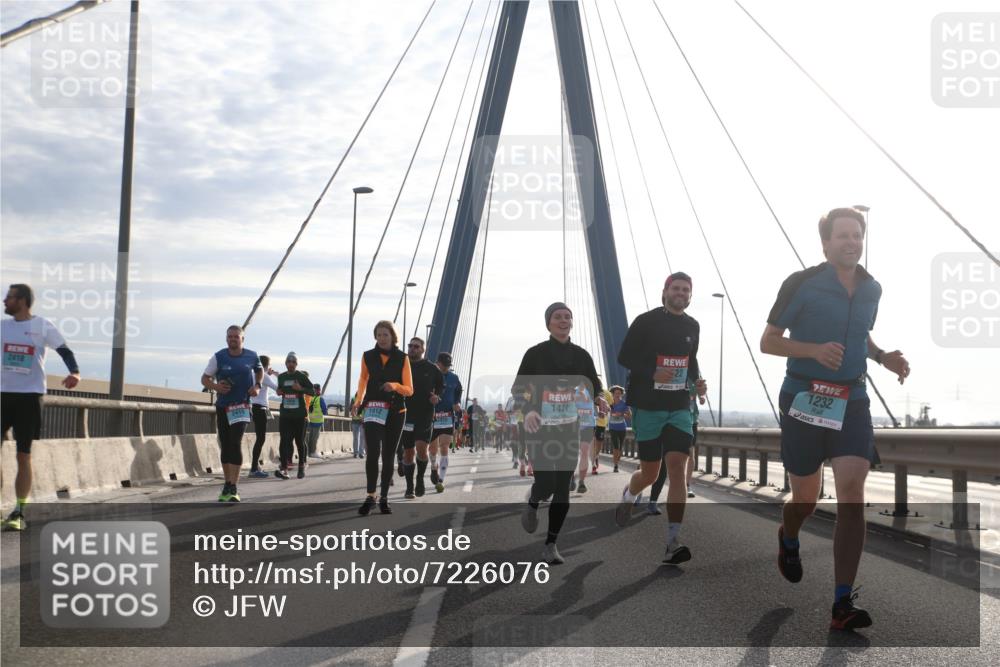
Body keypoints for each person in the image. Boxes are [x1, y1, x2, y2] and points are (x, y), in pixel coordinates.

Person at [761, 207, 910, 631]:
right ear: (825, 243)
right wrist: (812, 350)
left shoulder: (872, 288)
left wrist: (882, 357)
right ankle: (788, 536)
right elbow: (769, 341)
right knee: (805, 499)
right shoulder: (802, 284)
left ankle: (842, 603)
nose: (851, 241)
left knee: (851, 493)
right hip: (804, 397)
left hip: (852, 400)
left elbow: (860, 333)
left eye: (856, 235)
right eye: (842, 235)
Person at [614, 272, 708, 567]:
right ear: (665, 291)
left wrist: (698, 381)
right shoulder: (646, 321)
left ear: (690, 295)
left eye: (686, 289)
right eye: (676, 288)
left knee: (677, 468)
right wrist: (651, 371)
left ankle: (672, 541)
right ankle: (630, 493)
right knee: (651, 474)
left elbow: (690, 361)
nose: (681, 293)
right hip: (648, 405)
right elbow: (624, 356)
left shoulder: (693, 325)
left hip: (679, 405)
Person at [516, 302, 606, 565]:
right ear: (549, 323)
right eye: (558, 317)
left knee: (563, 489)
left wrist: (599, 398)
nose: (563, 320)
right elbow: (518, 388)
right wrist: (528, 410)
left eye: (568, 316)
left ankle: (551, 544)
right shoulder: (535, 354)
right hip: (539, 429)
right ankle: (533, 501)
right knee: (546, 485)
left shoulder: (581, 355)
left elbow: (594, 384)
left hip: (568, 428)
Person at [1, 284, 81, 530]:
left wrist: (75, 372)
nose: (4, 301)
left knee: (23, 455)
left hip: (29, 397)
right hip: (2, 395)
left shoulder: (42, 326)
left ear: (22, 301)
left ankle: (18, 512)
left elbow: (64, 349)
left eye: (9, 297)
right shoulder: (2, 326)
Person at [353, 320, 413, 515]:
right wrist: (357, 400)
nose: (381, 338)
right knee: (372, 453)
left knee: (388, 455)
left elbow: (409, 389)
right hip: (373, 407)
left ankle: (384, 498)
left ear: (393, 337)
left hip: (396, 411)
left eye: (385, 335)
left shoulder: (402, 358)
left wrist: (394, 385)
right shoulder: (367, 356)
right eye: (378, 335)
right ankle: (371, 496)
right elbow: (363, 380)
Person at [201, 324, 263, 502]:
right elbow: (204, 378)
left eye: (236, 336)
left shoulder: (251, 356)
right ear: (226, 338)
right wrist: (216, 386)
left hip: (242, 406)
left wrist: (257, 386)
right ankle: (227, 484)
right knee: (225, 444)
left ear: (242, 339)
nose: (232, 339)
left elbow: (259, 370)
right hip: (223, 406)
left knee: (235, 442)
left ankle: (234, 486)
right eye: (230, 337)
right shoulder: (219, 357)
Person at [646, 377, 704, 513]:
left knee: (679, 461)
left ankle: (683, 487)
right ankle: (641, 491)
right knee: (655, 464)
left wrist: (700, 393)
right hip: (660, 419)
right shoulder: (662, 368)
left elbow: (700, 392)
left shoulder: (692, 372)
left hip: (686, 422)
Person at [400, 337, 443, 498]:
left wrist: (436, 396)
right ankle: (410, 487)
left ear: (422, 350)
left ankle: (420, 479)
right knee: (408, 453)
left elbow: (440, 385)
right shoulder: (402, 366)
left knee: (421, 449)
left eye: (416, 346)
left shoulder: (431, 368)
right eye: (410, 346)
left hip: (425, 415)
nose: (412, 349)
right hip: (405, 414)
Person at [275, 352, 315, 479]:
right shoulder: (281, 377)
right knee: (284, 441)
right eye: (289, 362)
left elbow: (313, 391)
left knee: (299, 441)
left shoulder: (301, 376)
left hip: (299, 415)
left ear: (296, 364)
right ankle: (284, 469)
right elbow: (280, 389)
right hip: (286, 414)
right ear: (286, 363)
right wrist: (279, 391)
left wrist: (300, 389)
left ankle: (301, 467)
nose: (291, 364)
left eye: (293, 362)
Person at [429, 352, 462, 492]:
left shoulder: (454, 378)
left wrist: (457, 402)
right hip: (432, 415)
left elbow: (458, 391)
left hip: (447, 416)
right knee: (432, 449)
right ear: (438, 363)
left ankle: (441, 479)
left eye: (448, 366)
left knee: (444, 447)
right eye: (444, 365)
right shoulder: (430, 374)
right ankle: (433, 467)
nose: (446, 368)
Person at [248, 355, 279, 478]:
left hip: (252, 406)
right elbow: (277, 389)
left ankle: (255, 466)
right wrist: (276, 375)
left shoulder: (251, 374)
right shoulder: (264, 376)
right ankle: (254, 468)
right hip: (260, 408)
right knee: (261, 439)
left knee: (259, 438)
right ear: (267, 365)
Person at [607, 385, 630, 473]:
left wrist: (621, 414)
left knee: (620, 448)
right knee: (616, 446)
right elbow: (604, 410)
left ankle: (617, 460)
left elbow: (629, 416)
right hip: (612, 427)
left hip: (622, 427)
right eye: (616, 393)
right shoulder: (609, 403)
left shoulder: (624, 404)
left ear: (622, 394)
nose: (617, 395)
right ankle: (615, 465)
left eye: (619, 393)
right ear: (612, 394)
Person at [306, 384, 327, 460]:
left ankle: (309, 452)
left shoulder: (312, 398)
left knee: (311, 438)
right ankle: (313, 452)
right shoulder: (320, 399)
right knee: (314, 438)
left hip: (311, 421)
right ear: (319, 390)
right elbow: (325, 411)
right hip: (317, 421)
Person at [350, 392, 366, 458]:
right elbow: (350, 409)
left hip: (362, 421)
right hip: (355, 421)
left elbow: (366, 409)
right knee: (356, 438)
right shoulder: (353, 399)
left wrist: (364, 418)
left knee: (362, 437)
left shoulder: (364, 398)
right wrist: (353, 413)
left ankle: (361, 453)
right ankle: (355, 452)